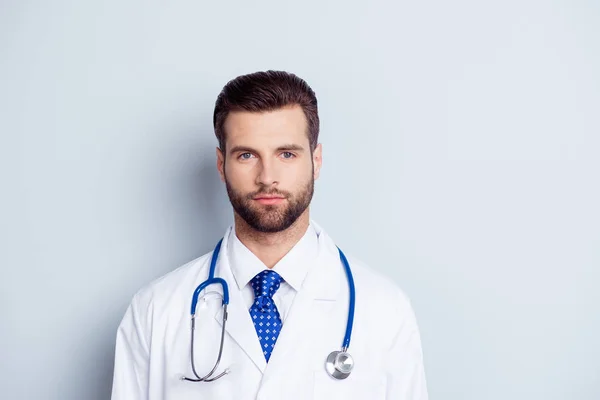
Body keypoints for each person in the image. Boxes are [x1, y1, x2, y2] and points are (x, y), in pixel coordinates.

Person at [111, 70, 429, 399]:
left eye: (286, 154)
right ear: (221, 165)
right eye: (246, 155)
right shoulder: (156, 310)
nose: (268, 177)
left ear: (316, 161)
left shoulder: (384, 310)